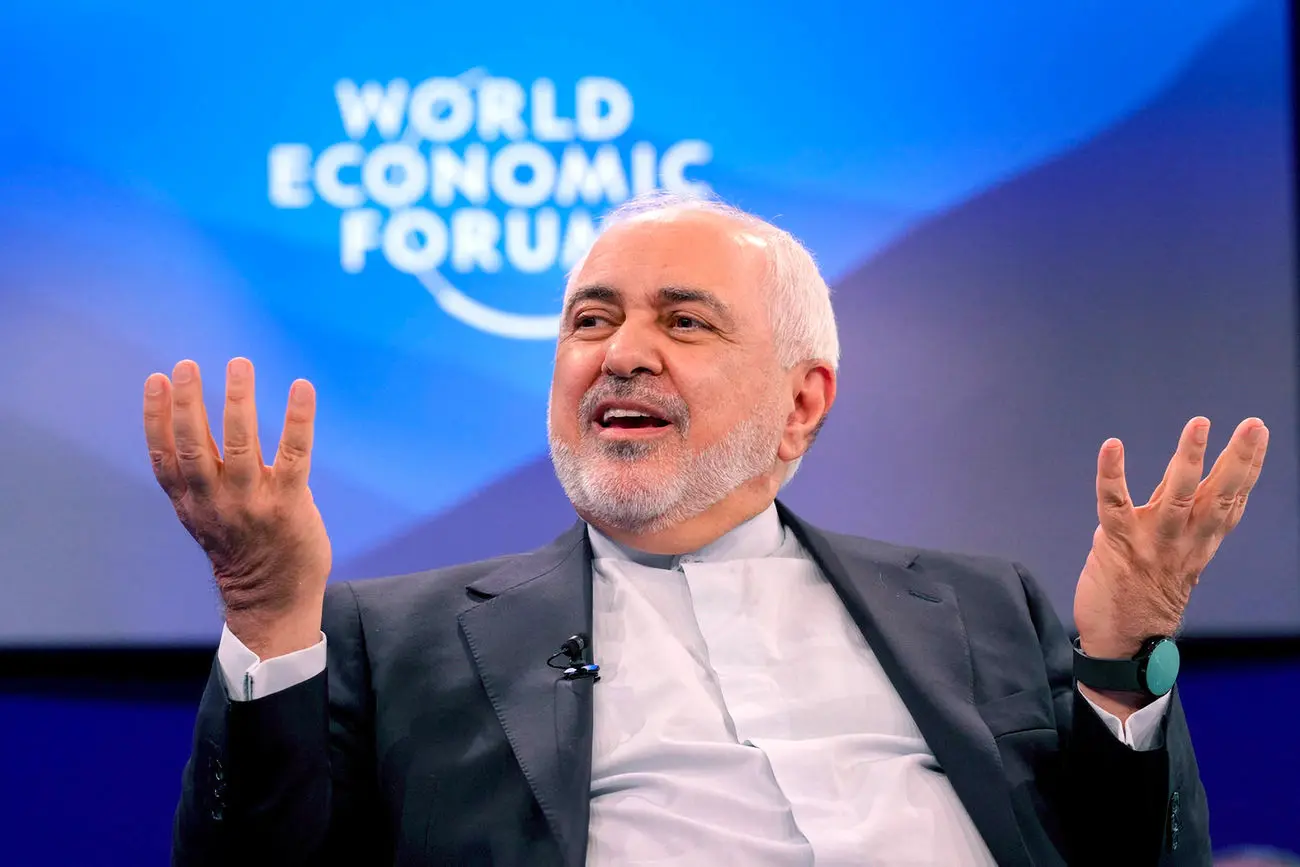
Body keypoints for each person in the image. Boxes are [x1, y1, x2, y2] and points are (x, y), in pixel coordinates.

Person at [150, 192, 1268, 866]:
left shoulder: (983, 608)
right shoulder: (396, 641)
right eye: (591, 320)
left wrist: (1122, 660)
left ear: (802, 402)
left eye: (683, 322)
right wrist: (267, 615)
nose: (620, 353)